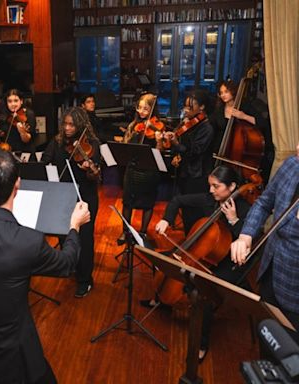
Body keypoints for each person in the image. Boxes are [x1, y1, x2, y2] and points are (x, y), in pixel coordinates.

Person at [0, 148, 90, 384]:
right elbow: (67, 263)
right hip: (9, 346)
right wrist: (75, 225)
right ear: (17, 185)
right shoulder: (27, 241)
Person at [149, 166, 251, 362]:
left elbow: (250, 243)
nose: (211, 191)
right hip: (203, 253)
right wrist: (166, 220)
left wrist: (234, 220)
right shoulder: (209, 199)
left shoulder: (245, 209)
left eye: (216, 186)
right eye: (210, 186)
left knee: (203, 292)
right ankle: (162, 300)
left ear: (232, 187)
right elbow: (177, 200)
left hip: (230, 262)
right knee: (164, 259)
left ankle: (201, 344)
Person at [231, 142, 299, 338]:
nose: (297, 147)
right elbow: (263, 202)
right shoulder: (291, 165)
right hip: (269, 270)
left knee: (289, 358)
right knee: (266, 339)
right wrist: (245, 236)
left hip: (294, 288)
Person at [42, 107, 100, 297]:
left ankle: (85, 279)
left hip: (84, 197)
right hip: (62, 195)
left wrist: (89, 170)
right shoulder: (57, 142)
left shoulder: (92, 144)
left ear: (81, 125)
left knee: (84, 238)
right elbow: (45, 161)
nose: (67, 128)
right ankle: (71, 266)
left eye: (71, 125)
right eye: (65, 124)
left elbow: (96, 175)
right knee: (64, 236)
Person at [158, 89, 214, 233]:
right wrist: (176, 145)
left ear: (201, 107)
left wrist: (177, 144)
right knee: (185, 209)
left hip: (197, 175)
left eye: (190, 107)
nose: (186, 110)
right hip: (185, 171)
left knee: (192, 212)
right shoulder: (190, 123)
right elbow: (183, 145)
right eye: (185, 106)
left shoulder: (206, 128)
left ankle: (192, 240)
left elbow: (195, 152)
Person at [118, 93, 163, 244]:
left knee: (147, 202)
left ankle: (143, 232)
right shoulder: (133, 125)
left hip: (150, 171)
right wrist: (131, 135)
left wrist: (158, 141)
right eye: (140, 108)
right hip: (132, 170)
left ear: (152, 109)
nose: (142, 111)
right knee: (127, 201)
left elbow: (159, 152)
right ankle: (125, 232)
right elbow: (125, 145)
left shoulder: (158, 126)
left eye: (146, 108)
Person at [209, 80, 274, 184]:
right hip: (222, 153)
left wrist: (243, 116)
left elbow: (262, 123)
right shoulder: (219, 110)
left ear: (233, 91)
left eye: (226, 91)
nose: (223, 95)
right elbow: (211, 127)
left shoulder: (245, 105)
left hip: (240, 156)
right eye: (221, 93)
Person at [0, 89, 37, 157]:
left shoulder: (28, 114)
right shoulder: (5, 115)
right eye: (9, 101)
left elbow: (27, 140)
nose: (13, 104)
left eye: (16, 101)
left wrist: (22, 132)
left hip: (25, 153)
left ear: (21, 101)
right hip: (8, 152)